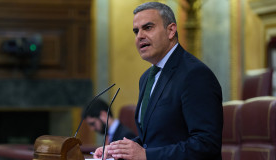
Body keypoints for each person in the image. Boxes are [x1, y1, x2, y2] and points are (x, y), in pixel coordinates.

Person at [93, 2, 223, 160]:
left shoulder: (195, 74)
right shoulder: (147, 78)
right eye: (136, 31)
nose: (139, 36)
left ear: (171, 30)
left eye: (147, 27)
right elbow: (153, 141)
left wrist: (146, 155)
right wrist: (118, 150)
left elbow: (206, 145)